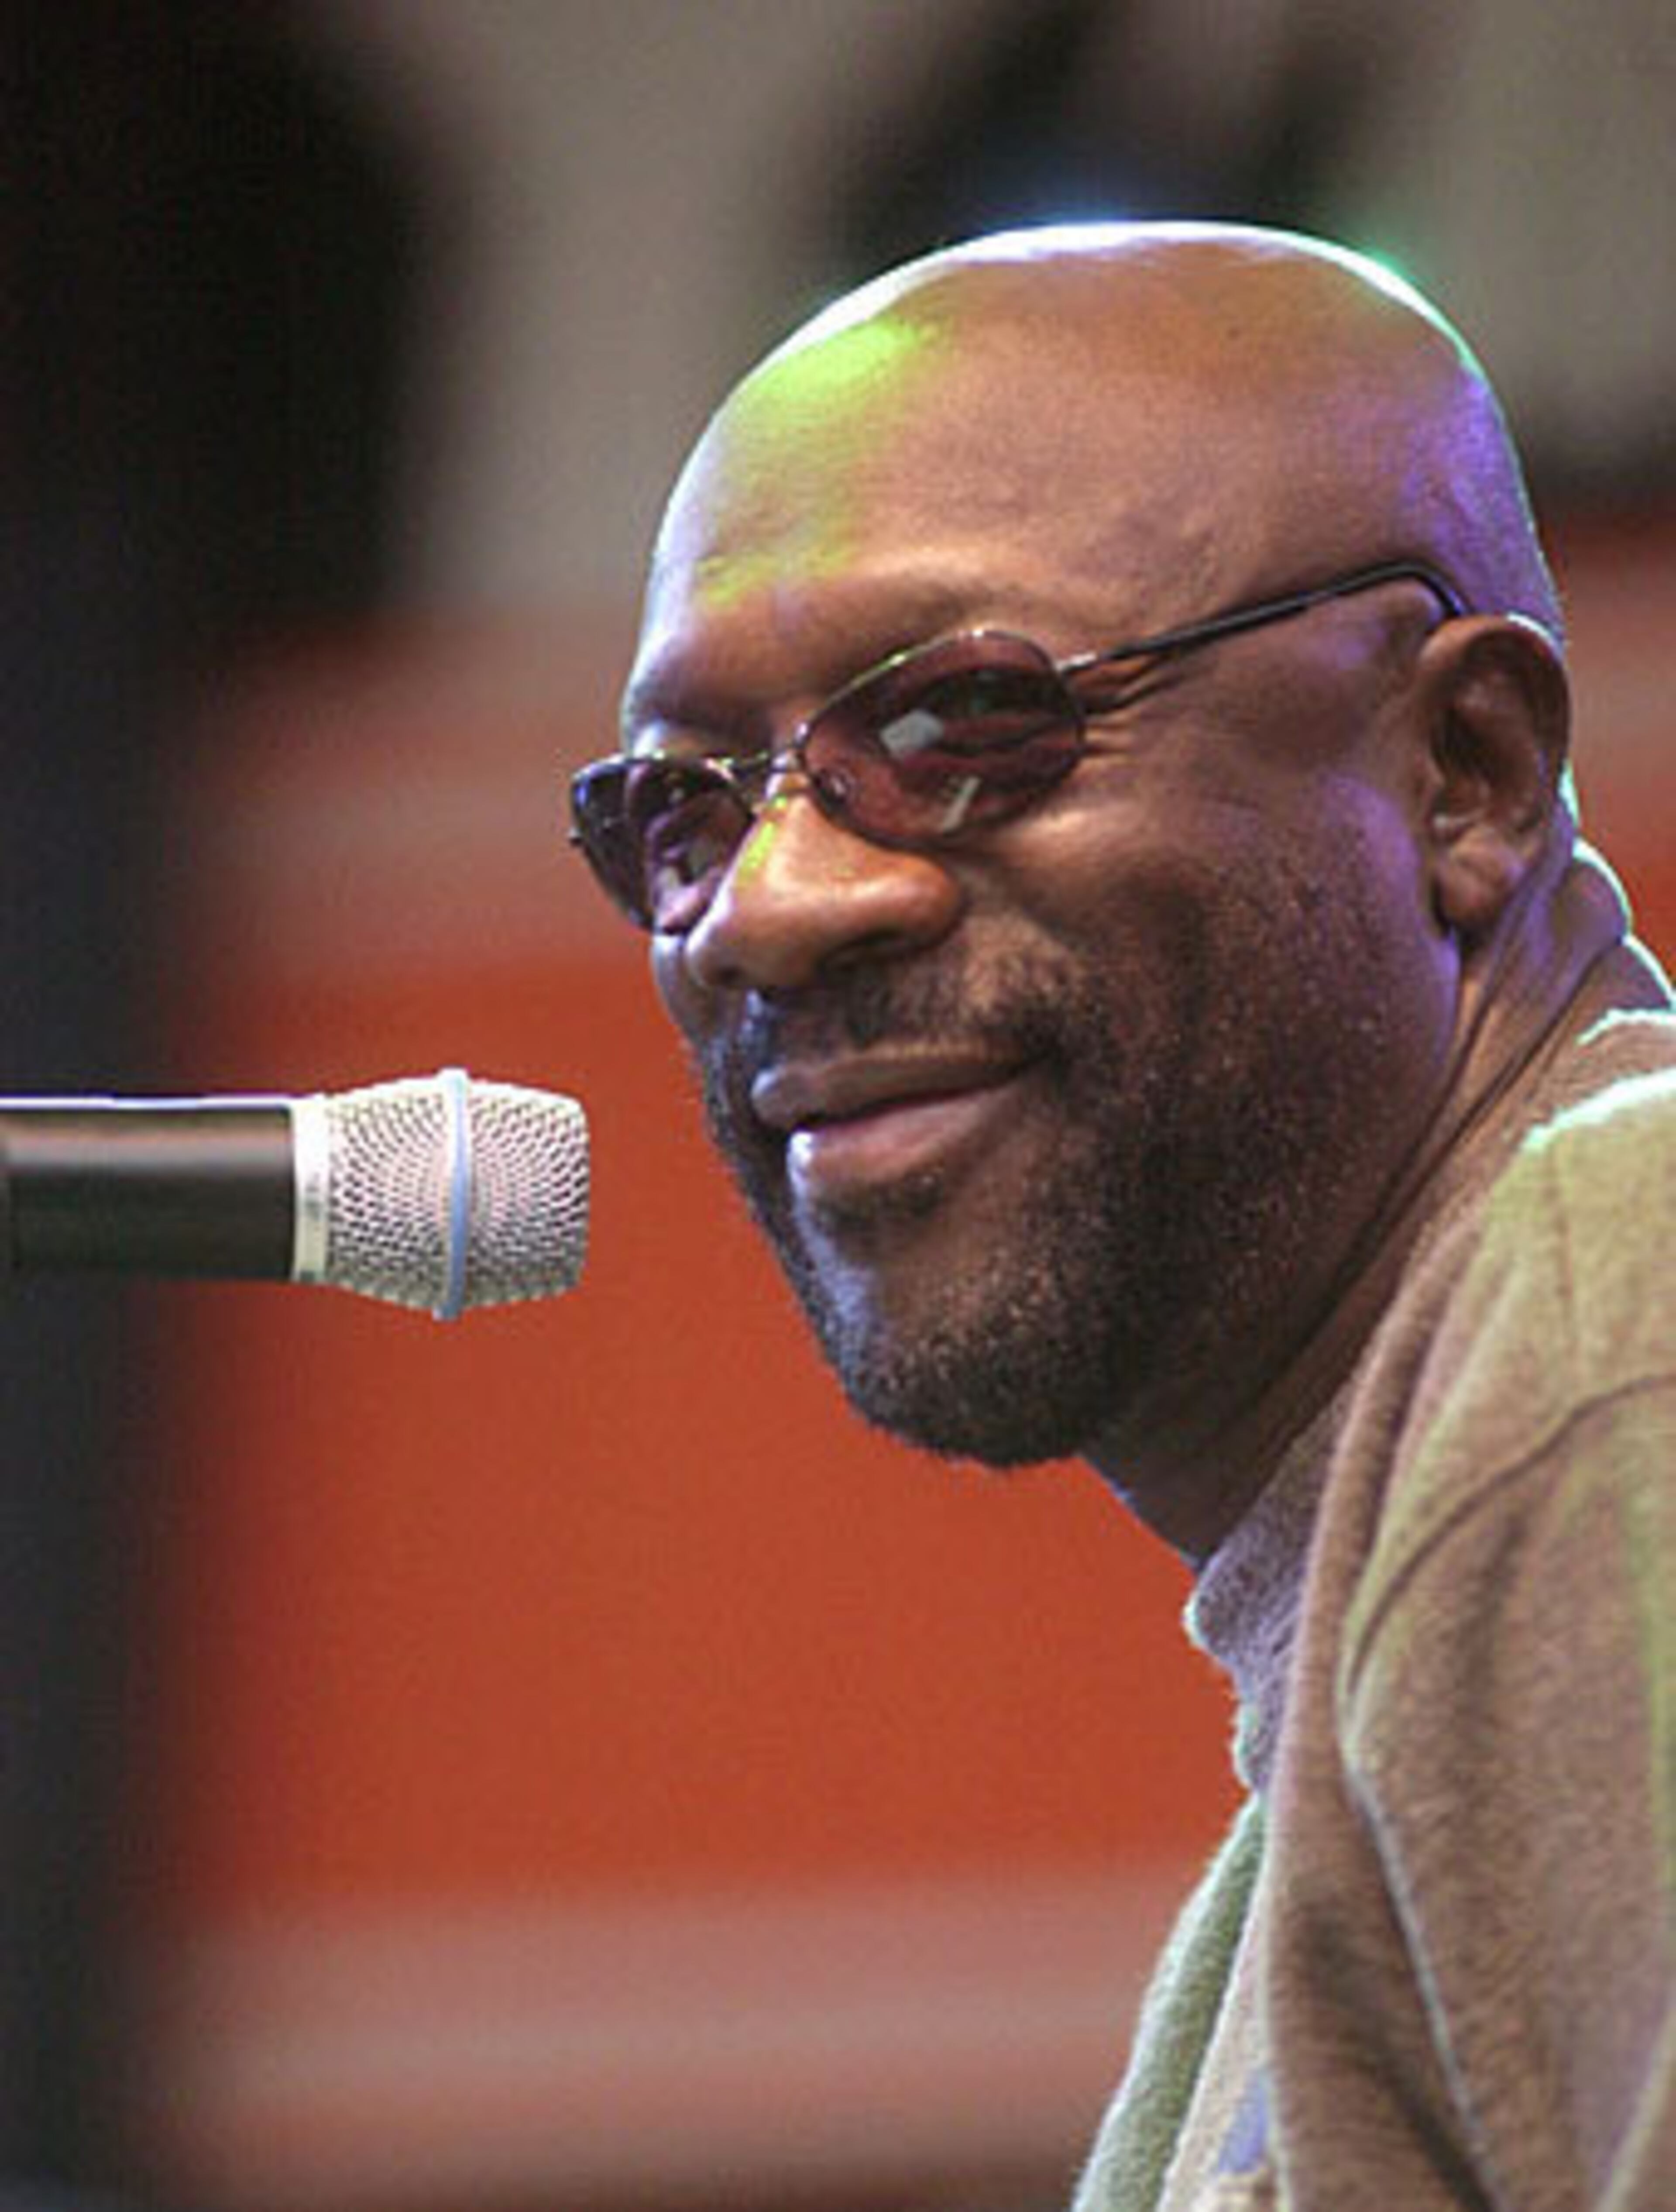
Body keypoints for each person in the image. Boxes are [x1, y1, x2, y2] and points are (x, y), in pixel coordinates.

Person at [567, 221, 1675, 2209]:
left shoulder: (1623, 1302)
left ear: (1467, 771)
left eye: (965, 727)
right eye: (684, 808)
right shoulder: (1346, 1725)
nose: (770, 907)